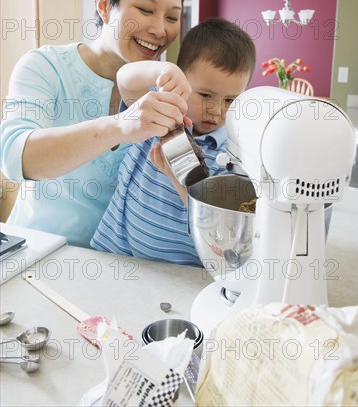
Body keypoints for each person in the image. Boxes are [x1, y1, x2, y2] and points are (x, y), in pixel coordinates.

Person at [0, 0, 188, 248]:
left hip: (118, 272)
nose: (159, 29)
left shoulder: (163, 90)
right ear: (104, 6)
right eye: (145, 9)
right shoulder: (45, 66)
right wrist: (121, 125)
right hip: (35, 257)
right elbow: (15, 158)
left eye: (171, 17)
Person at [91, 18, 256, 265]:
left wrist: (178, 178)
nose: (215, 109)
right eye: (206, 95)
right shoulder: (156, 110)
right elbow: (124, 78)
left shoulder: (230, 154)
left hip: (181, 271)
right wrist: (161, 71)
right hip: (118, 250)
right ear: (181, 79)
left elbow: (215, 224)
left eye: (230, 100)